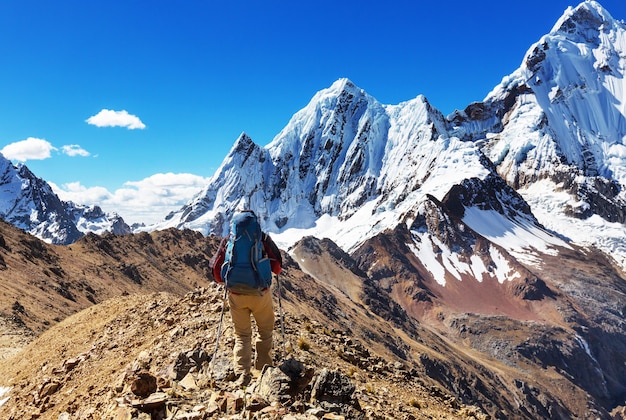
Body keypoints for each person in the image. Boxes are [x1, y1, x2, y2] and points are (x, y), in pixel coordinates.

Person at [210, 209, 282, 386]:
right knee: (265, 331)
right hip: (260, 294)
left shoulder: (229, 240)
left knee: (242, 334)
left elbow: (216, 272)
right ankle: (263, 370)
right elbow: (278, 267)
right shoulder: (262, 238)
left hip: (236, 294)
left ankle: (242, 372)